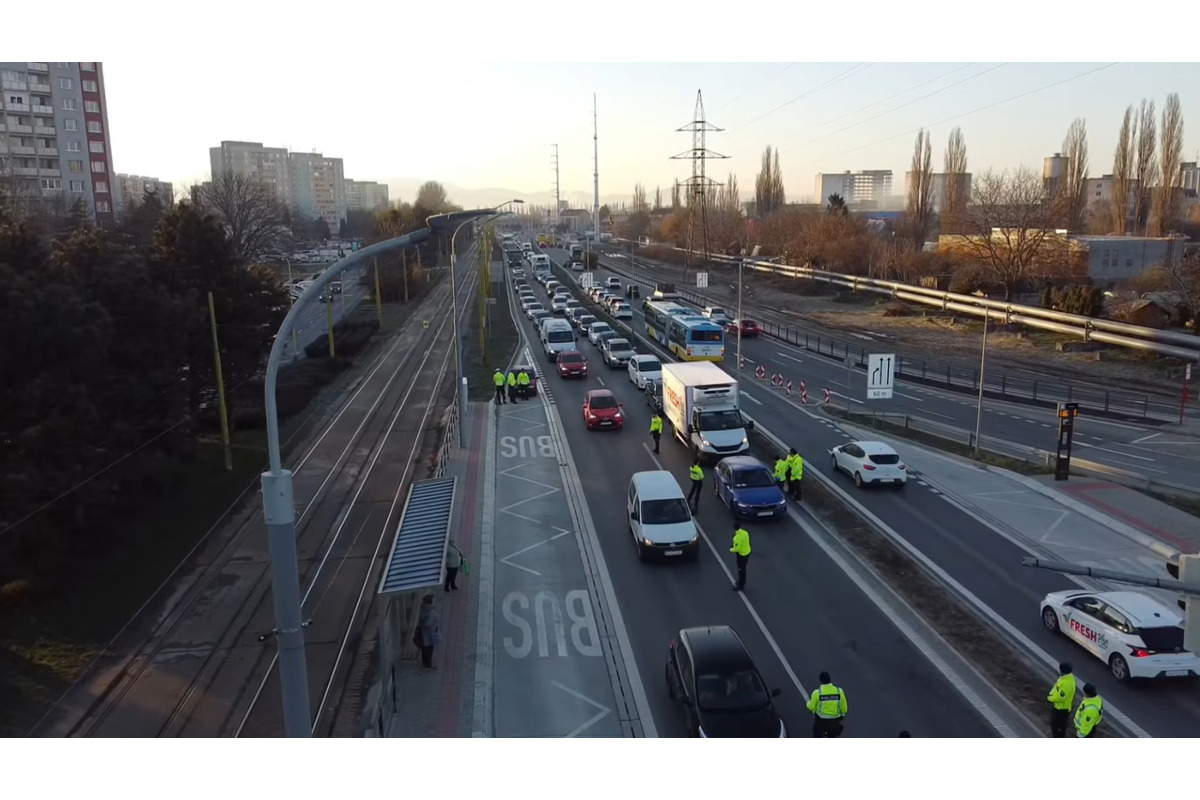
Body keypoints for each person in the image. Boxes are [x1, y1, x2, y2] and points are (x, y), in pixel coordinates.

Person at [806, 671, 848, 738]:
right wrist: (841, 715)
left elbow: (811, 707)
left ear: (820, 681)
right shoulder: (839, 691)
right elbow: (844, 709)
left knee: (816, 735)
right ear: (830, 680)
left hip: (821, 721)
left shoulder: (817, 693)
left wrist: (808, 703)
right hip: (834, 722)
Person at [1046, 662, 1076, 738]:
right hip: (1058, 706)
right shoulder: (1064, 678)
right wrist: (1051, 694)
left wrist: (1050, 699)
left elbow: (1061, 697)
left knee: (1058, 728)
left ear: (1063, 671)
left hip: (1062, 709)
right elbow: (1056, 687)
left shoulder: (1067, 683)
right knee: (1055, 725)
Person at [415, 594, 440, 670]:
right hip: (429, 633)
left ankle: (425, 663)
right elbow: (428, 623)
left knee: (424, 648)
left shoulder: (422, 608)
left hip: (423, 632)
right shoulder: (431, 611)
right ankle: (428, 664)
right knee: (429, 648)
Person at [730, 524, 751, 591]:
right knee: (743, 567)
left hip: (741, 555)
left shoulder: (737, 538)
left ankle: (741, 586)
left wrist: (731, 549)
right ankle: (740, 582)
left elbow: (737, 549)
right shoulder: (745, 532)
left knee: (741, 570)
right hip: (747, 552)